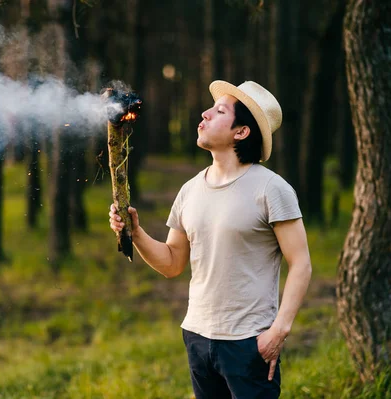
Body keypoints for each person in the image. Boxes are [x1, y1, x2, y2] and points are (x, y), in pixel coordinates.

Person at [109, 80, 312, 399]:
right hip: (197, 336)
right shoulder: (190, 190)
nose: (204, 114)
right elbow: (173, 263)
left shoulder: (272, 189)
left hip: (249, 343)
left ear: (241, 132)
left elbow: (301, 264)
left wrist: (278, 332)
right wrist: (135, 232)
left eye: (218, 111)